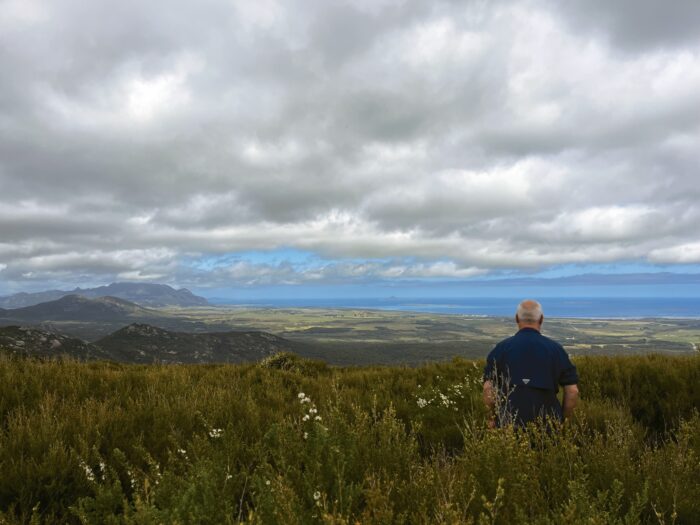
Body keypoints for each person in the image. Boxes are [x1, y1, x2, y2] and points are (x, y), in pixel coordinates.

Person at [482, 300, 579, 429]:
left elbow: (488, 388)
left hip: (508, 426)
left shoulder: (501, 349)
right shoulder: (556, 350)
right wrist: (564, 421)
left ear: (517, 318)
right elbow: (572, 391)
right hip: (548, 429)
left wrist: (491, 419)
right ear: (541, 319)